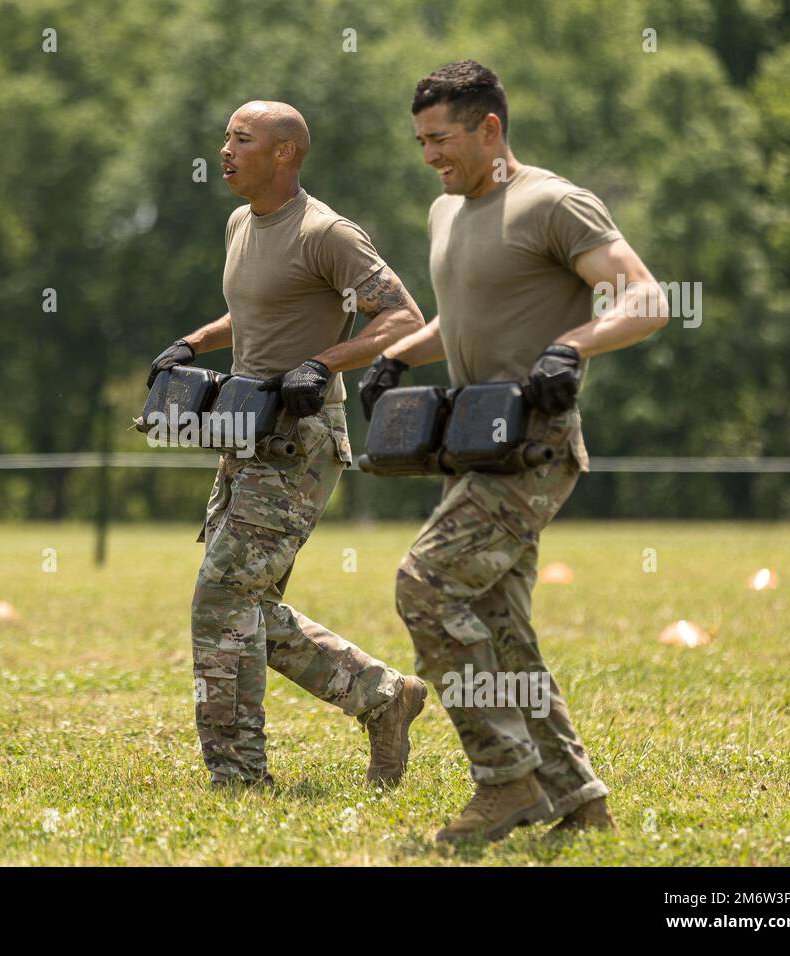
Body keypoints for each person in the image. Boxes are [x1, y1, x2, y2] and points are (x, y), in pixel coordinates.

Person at [360, 61, 668, 840]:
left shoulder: (553, 203)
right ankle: (579, 802)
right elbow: (464, 314)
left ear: (490, 129)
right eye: (421, 141)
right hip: (470, 445)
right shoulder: (446, 211)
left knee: (425, 585)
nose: (430, 155)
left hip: (535, 446)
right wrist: (400, 356)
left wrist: (574, 345)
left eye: (442, 139)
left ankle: (506, 783)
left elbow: (645, 298)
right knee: (500, 626)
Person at [148, 101, 429, 789]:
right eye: (225, 138)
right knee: (247, 605)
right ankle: (385, 697)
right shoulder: (240, 221)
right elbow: (257, 308)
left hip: (299, 440)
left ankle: (238, 776)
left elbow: (403, 318)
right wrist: (196, 341)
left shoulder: (326, 232)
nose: (225, 150)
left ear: (285, 153)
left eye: (242, 140)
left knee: (220, 596)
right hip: (240, 432)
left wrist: (325, 363)